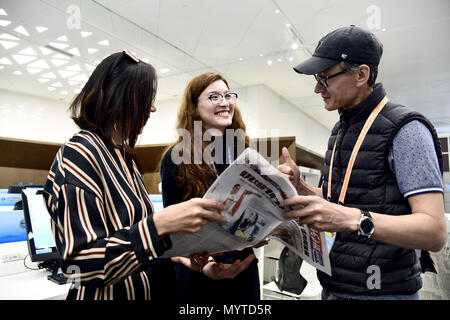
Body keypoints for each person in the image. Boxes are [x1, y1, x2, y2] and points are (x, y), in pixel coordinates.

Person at [279, 26, 447, 300]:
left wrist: (354, 219)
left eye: (324, 78)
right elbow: (337, 200)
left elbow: (434, 232)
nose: (317, 88)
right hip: (335, 286)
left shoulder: (407, 130)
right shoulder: (340, 130)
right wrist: (299, 186)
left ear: (361, 74)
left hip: (383, 293)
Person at [42, 51, 225, 300]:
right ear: (122, 98)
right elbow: (80, 264)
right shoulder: (79, 153)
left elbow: (133, 242)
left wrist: (172, 255)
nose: (153, 107)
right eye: (147, 98)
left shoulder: (123, 157)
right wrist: (159, 225)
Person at [159, 72, 261, 301]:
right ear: (194, 109)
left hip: (242, 268)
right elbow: (173, 229)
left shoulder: (243, 151)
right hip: (199, 273)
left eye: (228, 95)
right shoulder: (177, 157)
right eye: (214, 97)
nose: (224, 102)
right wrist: (207, 265)